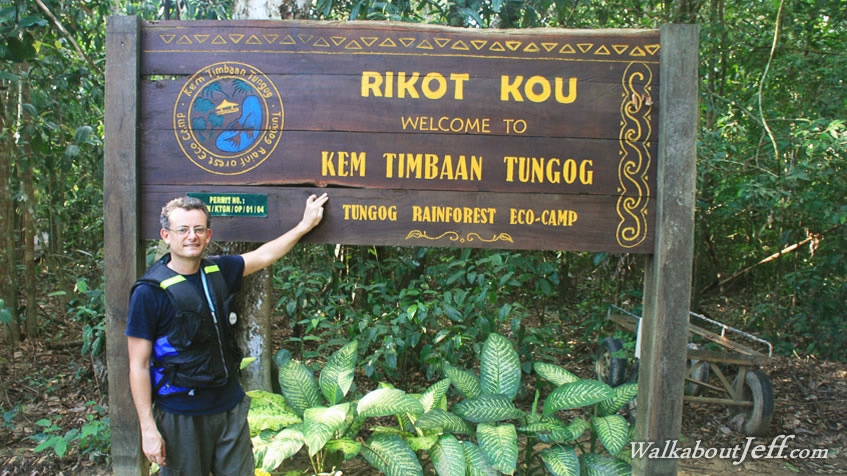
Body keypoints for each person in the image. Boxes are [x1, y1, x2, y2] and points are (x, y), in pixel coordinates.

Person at [126, 193, 328, 475]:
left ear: (208, 235)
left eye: (198, 229)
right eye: (182, 230)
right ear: (166, 236)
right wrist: (148, 428)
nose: (191, 236)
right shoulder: (149, 292)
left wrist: (304, 226)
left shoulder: (217, 271)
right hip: (181, 414)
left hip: (228, 407)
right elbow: (138, 364)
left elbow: (263, 255)